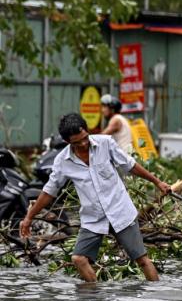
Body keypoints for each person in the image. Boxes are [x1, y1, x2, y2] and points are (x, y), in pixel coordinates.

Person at [21, 113, 171, 282]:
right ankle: (96, 299)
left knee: (142, 260)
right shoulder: (62, 161)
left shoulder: (105, 143)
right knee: (78, 259)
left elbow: (130, 166)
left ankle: (156, 299)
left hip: (120, 211)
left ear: (87, 130)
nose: (84, 144)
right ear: (68, 142)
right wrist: (29, 218)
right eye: (77, 142)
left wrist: (158, 183)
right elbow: (49, 192)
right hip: (93, 218)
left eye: (85, 138)